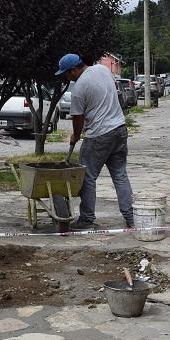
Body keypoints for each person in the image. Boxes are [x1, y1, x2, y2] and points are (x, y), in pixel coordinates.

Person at [55, 53, 134, 230]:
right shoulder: (103, 69)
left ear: (74, 70)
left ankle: (86, 219)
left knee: (88, 177)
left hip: (98, 135)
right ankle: (130, 216)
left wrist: (76, 135)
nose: (67, 78)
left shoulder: (79, 89)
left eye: (66, 74)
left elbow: (77, 118)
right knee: (120, 175)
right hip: (120, 129)